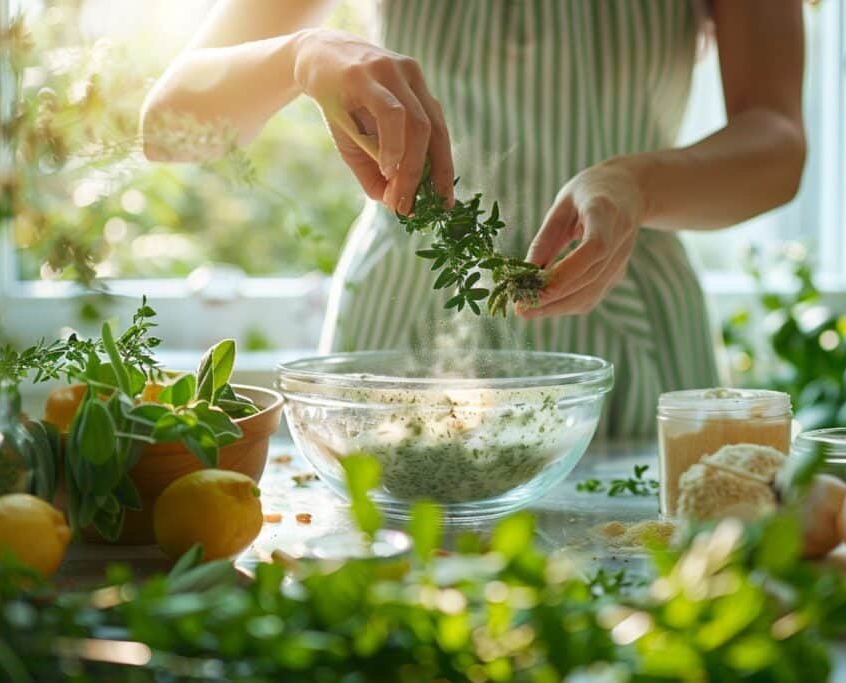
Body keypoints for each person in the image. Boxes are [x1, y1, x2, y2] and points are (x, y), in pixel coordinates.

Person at [141, 0, 805, 439]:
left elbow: (778, 142)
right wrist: (300, 57)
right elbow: (168, 123)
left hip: (628, 331)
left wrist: (638, 185)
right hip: (398, 340)